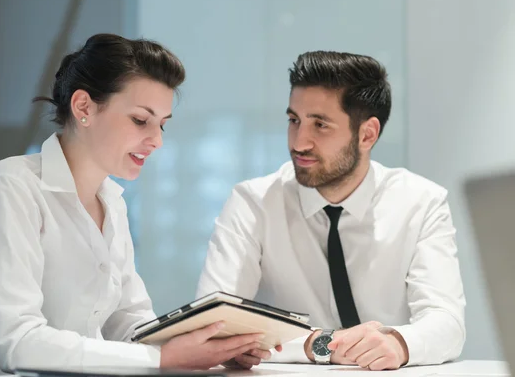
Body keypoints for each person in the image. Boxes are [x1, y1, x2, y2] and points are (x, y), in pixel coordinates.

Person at [0, 34, 269, 376]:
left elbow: (127, 321)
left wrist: (209, 348)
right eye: (140, 120)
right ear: (84, 107)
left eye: (161, 124)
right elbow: (17, 342)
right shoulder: (10, 187)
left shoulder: (112, 202)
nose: (157, 141)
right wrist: (163, 358)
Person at [197, 50, 466, 371]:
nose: (299, 142)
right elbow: (216, 322)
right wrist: (317, 344)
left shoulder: (421, 202)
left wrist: (399, 342)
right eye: (294, 120)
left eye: (320, 125)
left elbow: (447, 322)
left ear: (367, 134)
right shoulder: (253, 202)